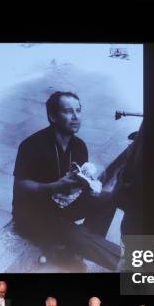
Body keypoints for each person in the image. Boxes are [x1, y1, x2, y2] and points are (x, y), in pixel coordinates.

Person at [12, 91, 121, 270]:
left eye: (78, 110)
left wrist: (89, 184)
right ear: (53, 116)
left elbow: (78, 184)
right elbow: (21, 186)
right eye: (68, 111)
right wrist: (54, 187)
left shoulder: (79, 146)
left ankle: (72, 250)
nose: (75, 116)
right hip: (32, 215)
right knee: (77, 235)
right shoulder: (31, 145)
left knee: (109, 198)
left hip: (63, 208)